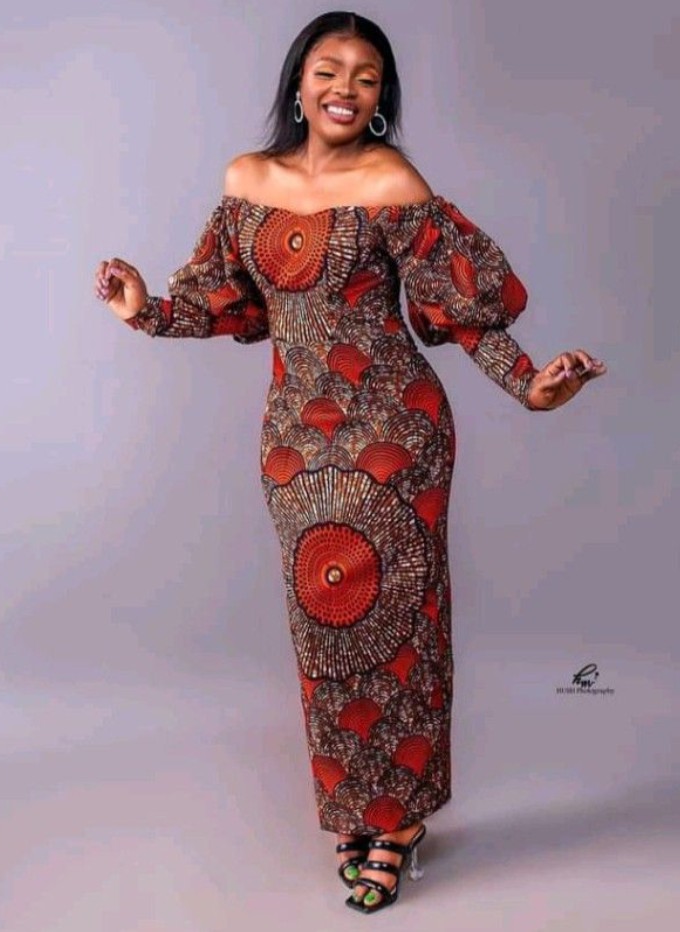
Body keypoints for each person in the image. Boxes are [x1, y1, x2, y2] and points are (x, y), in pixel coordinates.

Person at [94, 10, 606, 914]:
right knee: (327, 630)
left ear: (380, 100)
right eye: (329, 69)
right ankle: (357, 807)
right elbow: (223, 301)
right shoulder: (247, 182)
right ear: (298, 83)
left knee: (402, 628)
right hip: (295, 446)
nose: (346, 87)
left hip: (397, 437)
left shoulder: (392, 183)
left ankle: (397, 822)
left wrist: (531, 386)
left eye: (367, 77)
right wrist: (144, 309)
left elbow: (460, 313)